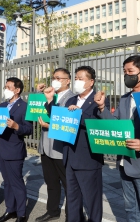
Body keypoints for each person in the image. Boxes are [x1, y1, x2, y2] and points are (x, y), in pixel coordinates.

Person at [94, 56, 140, 222]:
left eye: (130, 72)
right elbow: (116, 125)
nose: (127, 75)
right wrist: (101, 107)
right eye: (124, 72)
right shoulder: (125, 98)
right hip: (123, 163)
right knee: (130, 209)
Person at [45, 66, 109, 222]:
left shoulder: (97, 99)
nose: (77, 81)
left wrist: (78, 115)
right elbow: (59, 118)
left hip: (88, 158)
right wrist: (49, 101)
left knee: (92, 200)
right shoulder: (72, 99)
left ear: (91, 81)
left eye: (81, 79)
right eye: (76, 78)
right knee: (73, 199)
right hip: (69, 156)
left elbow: (102, 125)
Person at [35, 68, 75, 222]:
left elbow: (66, 123)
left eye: (59, 77)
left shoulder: (72, 98)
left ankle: (72, 215)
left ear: (68, 80)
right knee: (51, 182)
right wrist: (40, 95)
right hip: (46, 146)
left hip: (61, 148)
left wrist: (50, 126)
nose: (55, 80)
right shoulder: (50, 94)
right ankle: (52, 211)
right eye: (53, 77)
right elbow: (37, 109)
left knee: (68, 184)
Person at [0, 77, 32, 222]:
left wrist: (16, 126)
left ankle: (21, 213)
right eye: (5, 87)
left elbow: (28, 129)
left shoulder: (24, 106)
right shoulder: (2, 105)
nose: (5, 90)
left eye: (9, 87)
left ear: (17, 90)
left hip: (14, 150)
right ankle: (10, 210)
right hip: (1, 148)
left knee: (16, 182)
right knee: (7, 182)